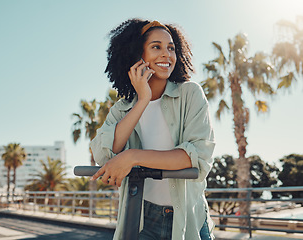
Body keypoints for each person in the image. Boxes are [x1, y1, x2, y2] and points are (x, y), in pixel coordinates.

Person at [90, 18, 216, 240]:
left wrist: (132, 157)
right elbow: (104, 154)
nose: (167, 54)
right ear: (138, 55)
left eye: (171, 48)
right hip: (142, 219)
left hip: (188, 218)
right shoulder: (123, 108)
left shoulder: (190, 94)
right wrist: (142, 101)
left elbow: (196, 157)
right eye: (156, 47)